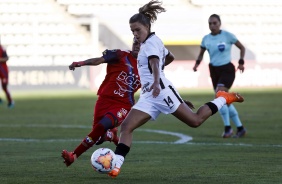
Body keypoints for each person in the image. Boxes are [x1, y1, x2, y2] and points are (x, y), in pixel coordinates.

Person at [108, 0, 245, 178]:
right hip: (150, 95)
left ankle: (223, 98)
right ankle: (116, 166)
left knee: (195, 121)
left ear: (147, 26)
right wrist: (158, 83)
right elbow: (169, 57)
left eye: (137, 30)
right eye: (132, 31)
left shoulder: (150, 44)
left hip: (160, 91)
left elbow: (156, 63)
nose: (135, 34)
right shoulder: (153, 41)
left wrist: (157, 81)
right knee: (126, 126)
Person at [193, 14, 247, 138]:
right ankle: (240, 128)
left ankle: (228, 129)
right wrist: (196, 64)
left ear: (219, 23)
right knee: (225, 101)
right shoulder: (206, 38)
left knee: (219, 96)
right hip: (214, 70)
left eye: (215, 23)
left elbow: (242, 47)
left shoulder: (227, 36)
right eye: (210, 23)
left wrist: (241, 62)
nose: (212, 25)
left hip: (227, 69)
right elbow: (201, 53)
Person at [0, 36, 14, 108]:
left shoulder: (2, 49)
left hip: (3, 71)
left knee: (4, 87)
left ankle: (10, 101)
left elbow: (6, 58)